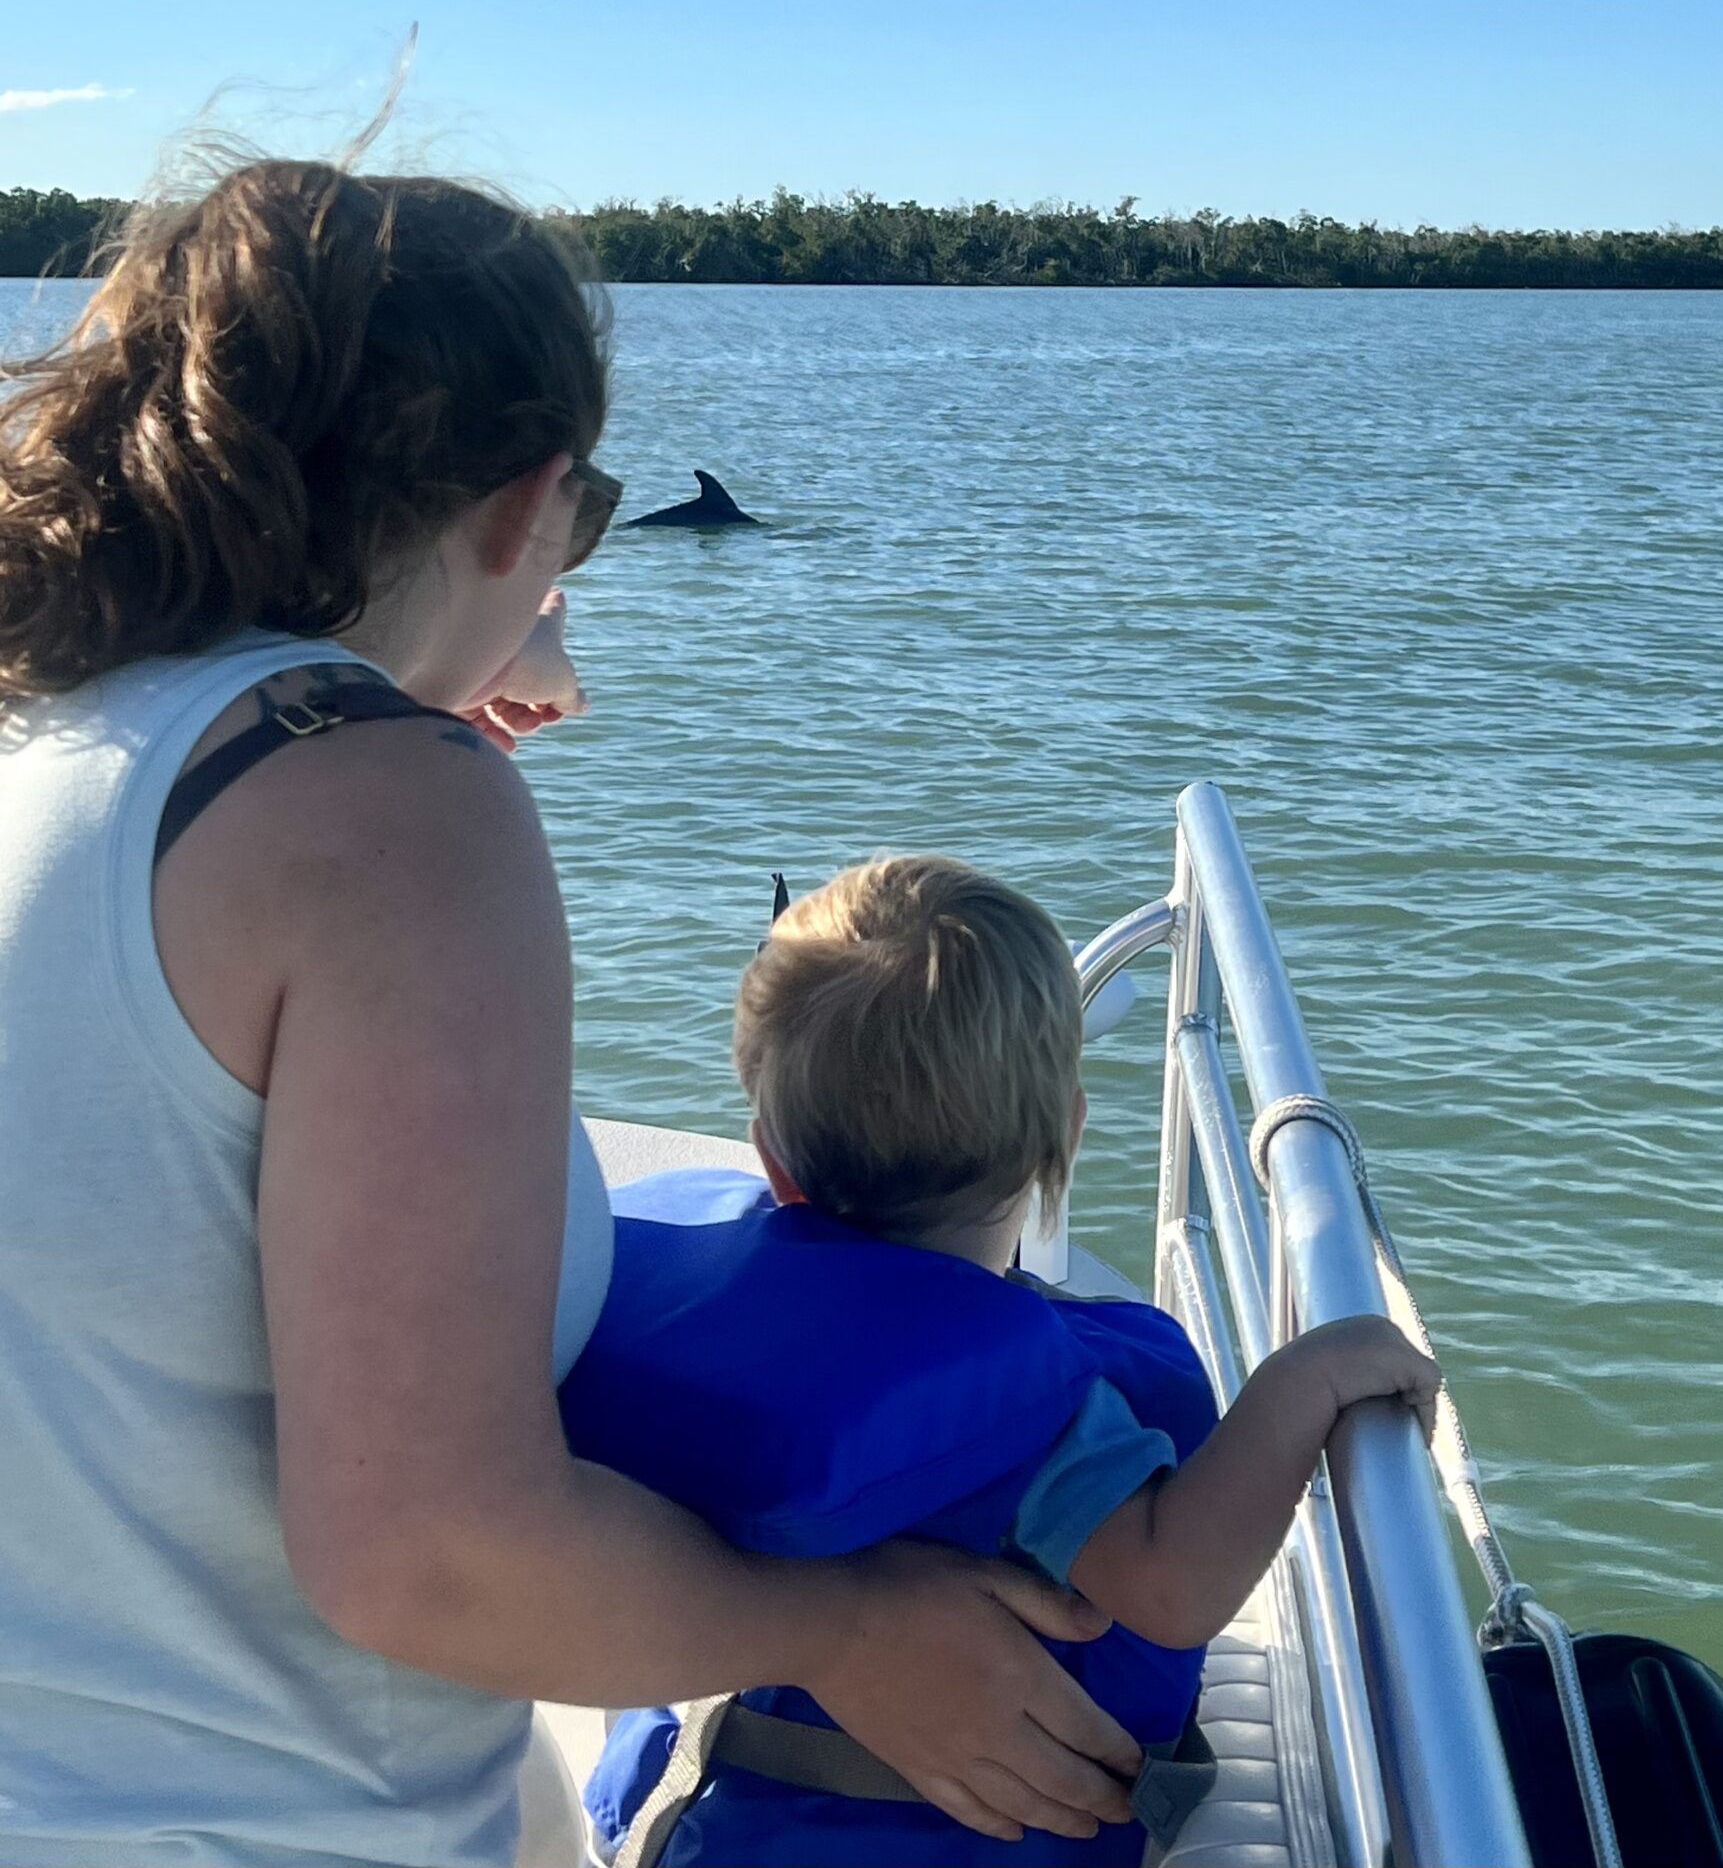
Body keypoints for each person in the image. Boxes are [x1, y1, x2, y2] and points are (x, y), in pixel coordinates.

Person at [0, 156, 1142, 1868]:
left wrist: (433, 688)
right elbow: (422, 1555)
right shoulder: (388, 809)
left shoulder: (64, 734)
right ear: (530, 506)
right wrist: (842, 1632)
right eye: (581, 529)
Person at [569, 855, 1441, 1868]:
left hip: (695, 1829)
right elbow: (1170, 1584)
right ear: (1058, 1140)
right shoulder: (1045, 1403)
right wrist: (1304, 1381)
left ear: (769, 1156)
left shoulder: (681, 1315)